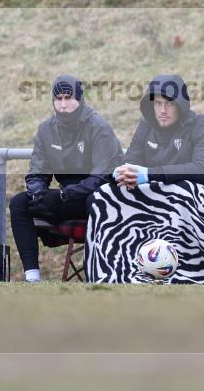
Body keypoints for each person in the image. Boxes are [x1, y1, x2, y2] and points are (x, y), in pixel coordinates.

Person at [10, 75, 123, 282]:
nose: (63, 105)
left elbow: (101, 176)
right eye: (58, 99)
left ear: (79, 99)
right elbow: (37, 170)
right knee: (19, 203)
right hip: (66, 197)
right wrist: (38, 192)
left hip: (98, 196)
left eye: (68, 98)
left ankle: (96, 274)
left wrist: (64, 194)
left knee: (95, 200)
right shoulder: (46, 129)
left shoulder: (99, 127)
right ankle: (32, 276)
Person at [113, 74, 204, 190]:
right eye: (157, 103)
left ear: (180, 105)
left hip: (199, 195)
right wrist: (122, 174)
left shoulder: (202, 125)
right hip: (155, 195)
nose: (163, 111)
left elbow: (203, 169)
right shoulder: (146, 125)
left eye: (169, 103)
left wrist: (151, 174)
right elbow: (131, 161)